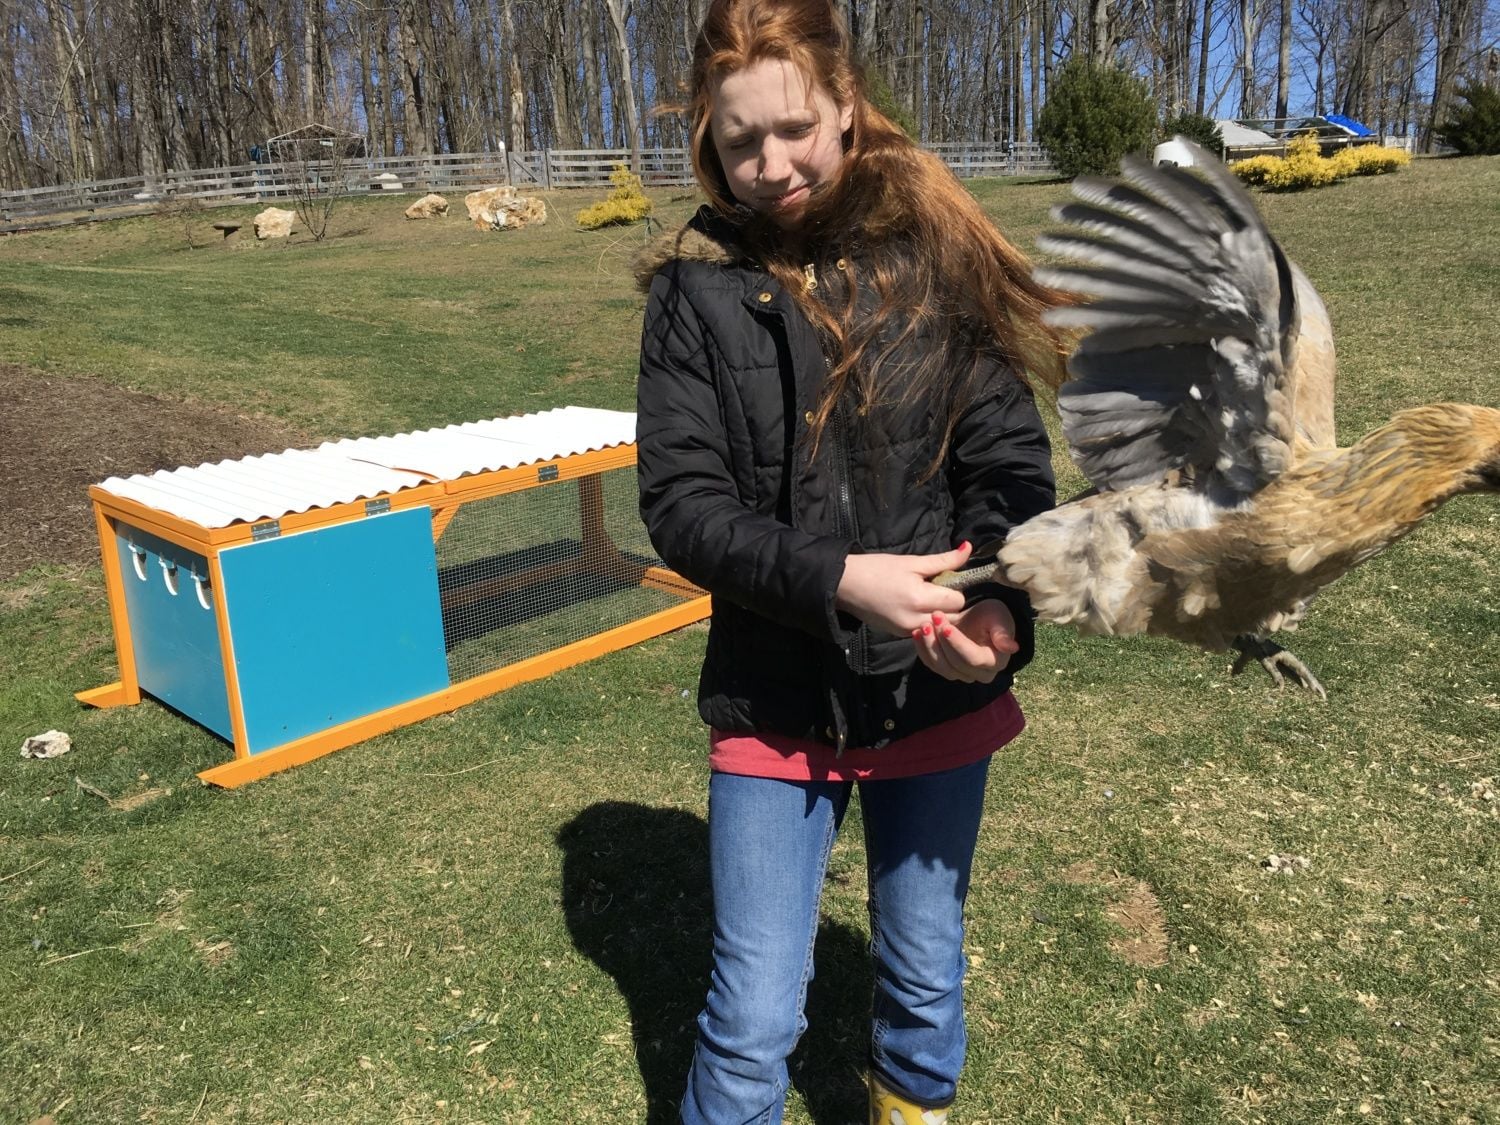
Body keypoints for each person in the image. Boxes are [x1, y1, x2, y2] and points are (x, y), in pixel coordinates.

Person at [633, 1, 1064, 1120]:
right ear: (710, 140)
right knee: (751, 1017)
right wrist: (838, 578)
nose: (772, 165)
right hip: (774, 701)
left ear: (846, 109)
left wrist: (1003, 608)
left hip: (933, 690)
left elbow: (1009, 466)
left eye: (795, 129)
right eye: (741, 141)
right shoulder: (691, 296)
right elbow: (682, 508)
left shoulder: (937, 263)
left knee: (923, 975)